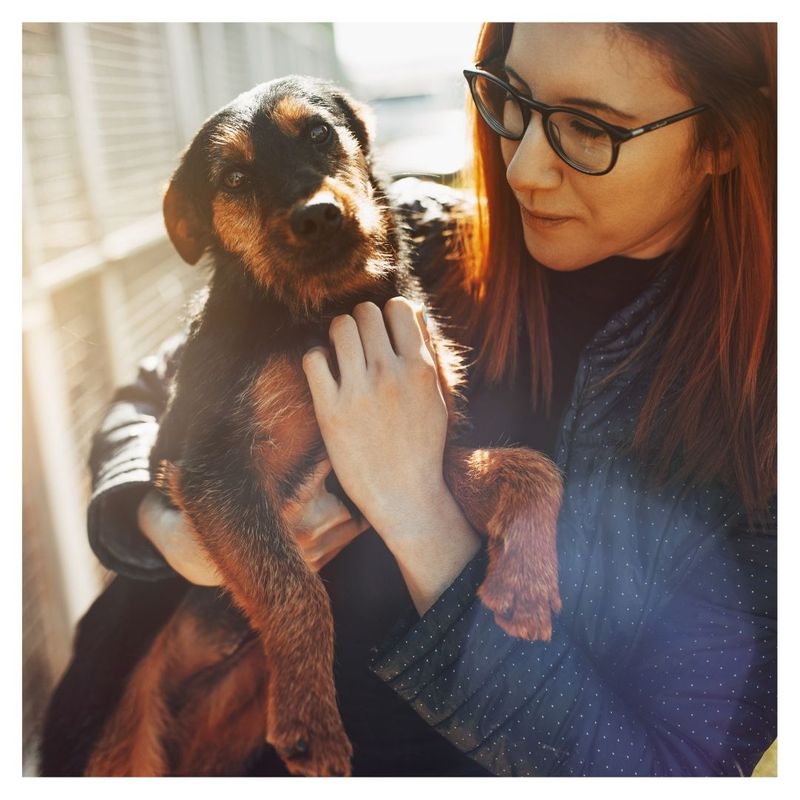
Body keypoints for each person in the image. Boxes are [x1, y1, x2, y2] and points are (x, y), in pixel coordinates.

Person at [71, 22, 777, 776]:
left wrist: (418, 515)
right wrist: (162, 528)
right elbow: (152, 392)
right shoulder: (406, 237)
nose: (526, 168)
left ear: (724, 140)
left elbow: (669, 772)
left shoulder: (768, 424)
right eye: (511, 98)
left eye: (588, 126)